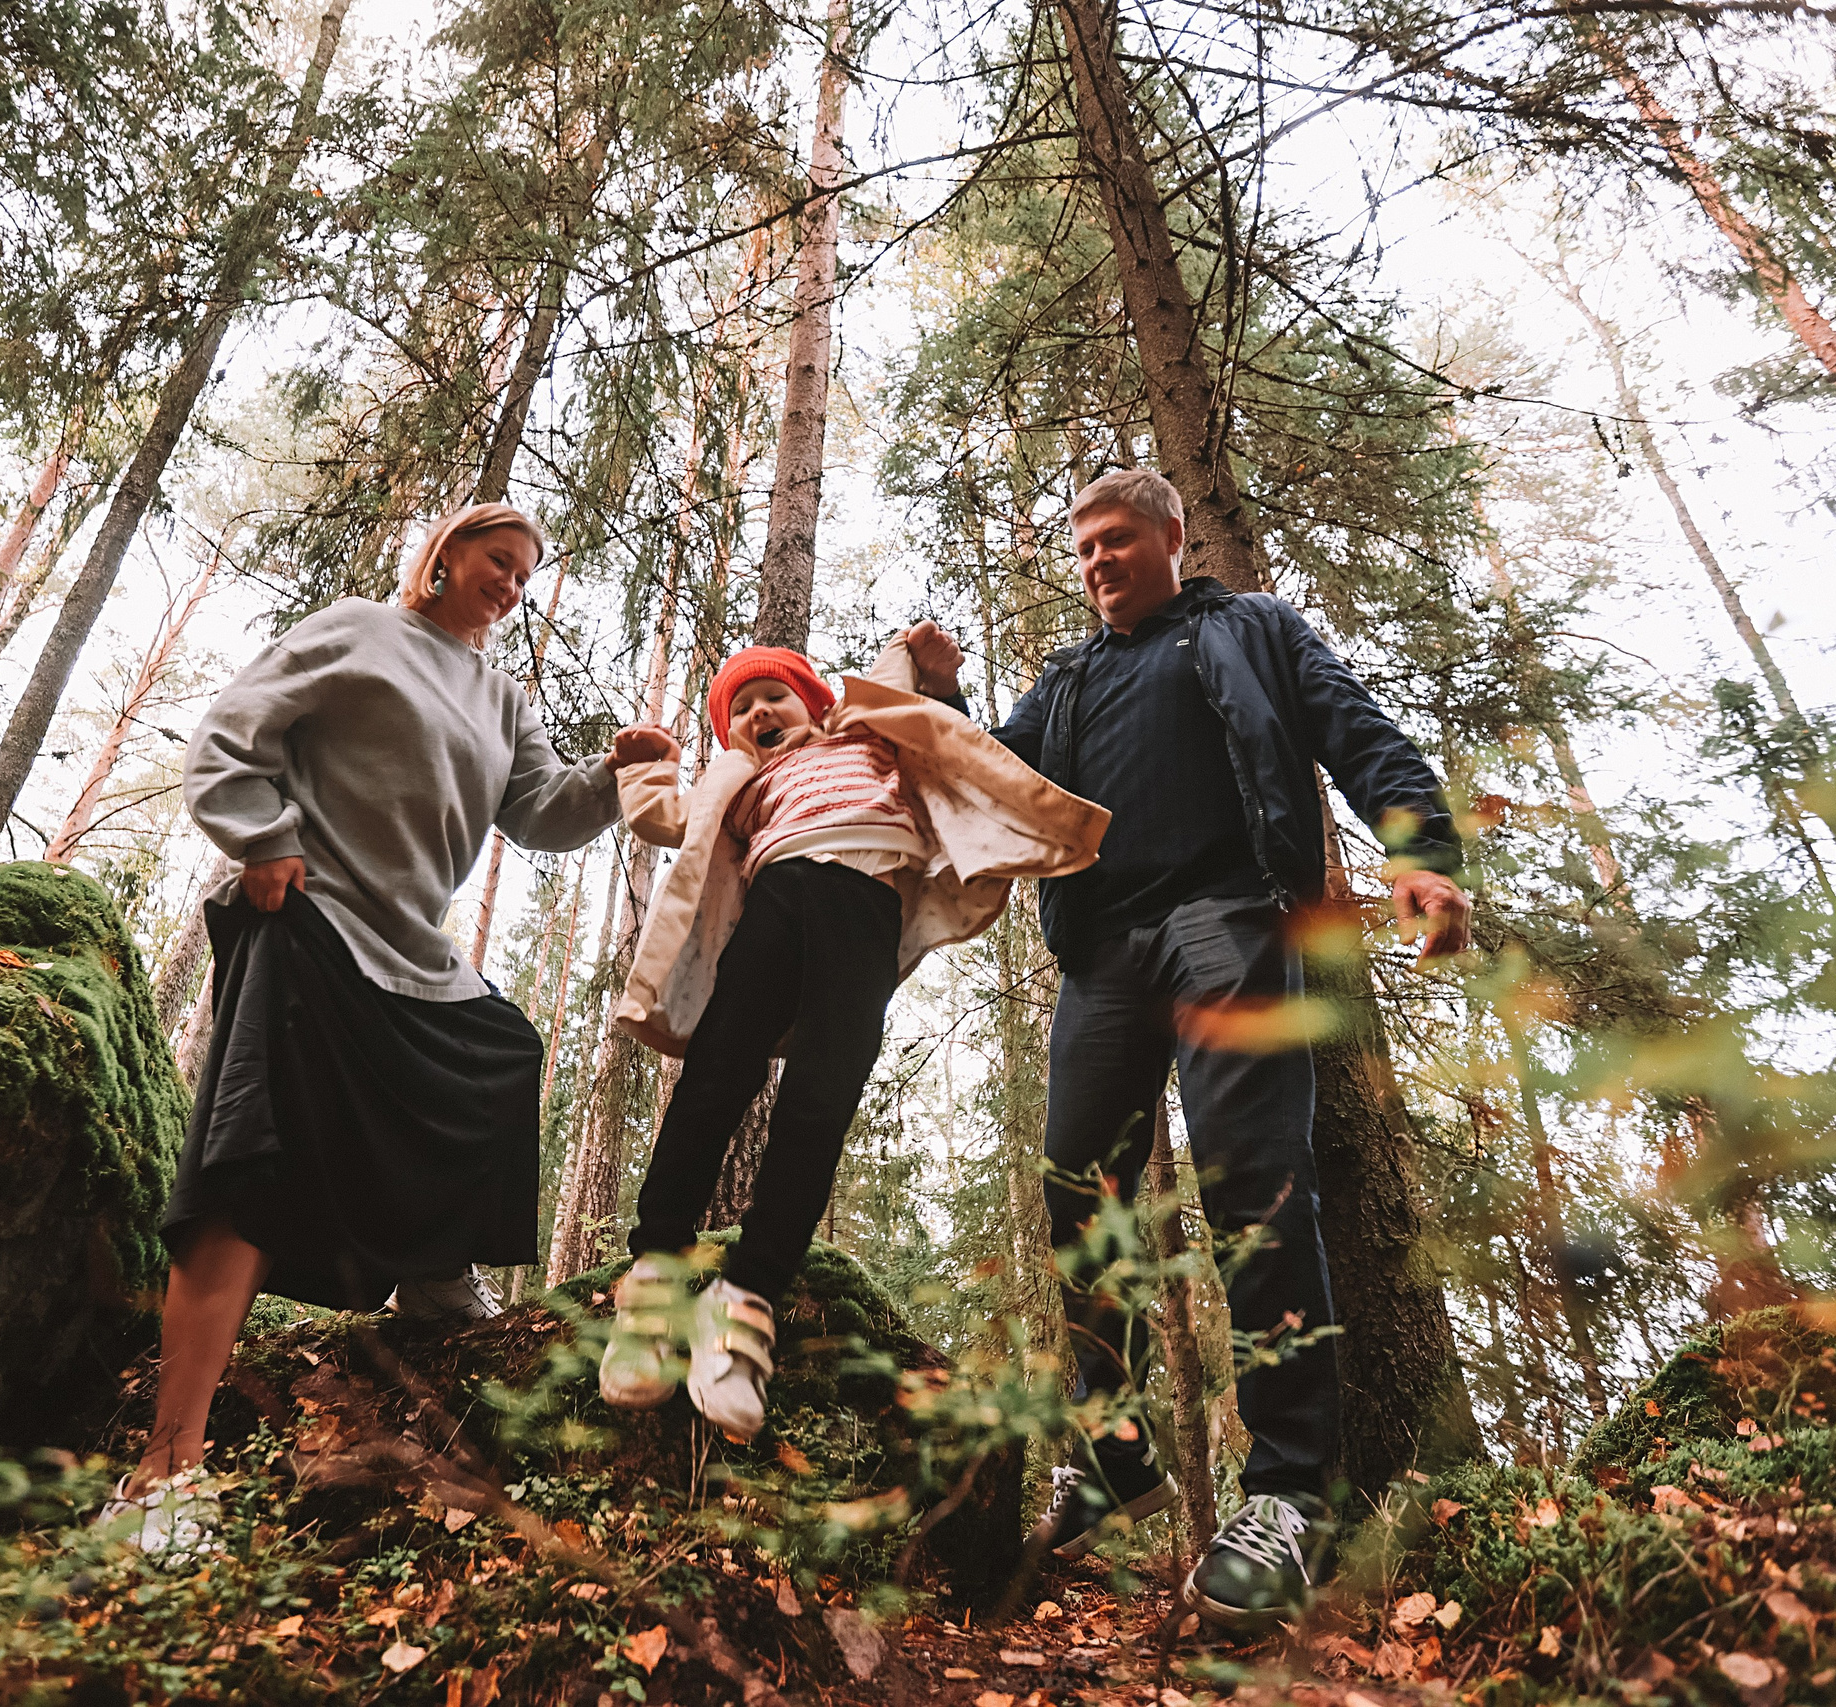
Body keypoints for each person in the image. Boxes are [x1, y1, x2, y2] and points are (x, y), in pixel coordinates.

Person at [903, 467, 1472, 1631]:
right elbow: (989, 784)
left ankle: (1286, 1496)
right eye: (1083, 550)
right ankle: (1109, 1455)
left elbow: (1350, 726)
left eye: (1116, 541)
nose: (1098, 563)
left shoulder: (1249, 628)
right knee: (1080, 1197)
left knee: (1254, 1188)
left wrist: (1421, 850)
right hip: (1105, 954)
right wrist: (947, 695)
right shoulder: (1064, 681)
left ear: (1169, 536)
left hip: (1227, 920)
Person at [101, 502, 678, 1554]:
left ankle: (433, 1281)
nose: (510, 585)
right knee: (247, 1167)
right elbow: (237, 728)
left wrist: (612, 771)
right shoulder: (360, 631)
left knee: (501, 1048)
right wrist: (263, 834)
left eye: (524, 576)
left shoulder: (503, 697)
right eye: (498, 562)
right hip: (311, 916)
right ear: (446, 555)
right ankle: (164, 1467)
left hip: (415, 951)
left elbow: (541, 812)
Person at [598, 634, 1108, 1441]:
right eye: (743, 707)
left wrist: (939, 681)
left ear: (814, 699)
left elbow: (949, 747)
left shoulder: (866, 735)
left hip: (866, 907)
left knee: (821, 1100)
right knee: (715, 1075)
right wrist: (644, 764)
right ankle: (656, 1272)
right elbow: (669, 817)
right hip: (776, 896)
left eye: (776, 695)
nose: (762, 711)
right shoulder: (742, 777)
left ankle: (744, 1303)